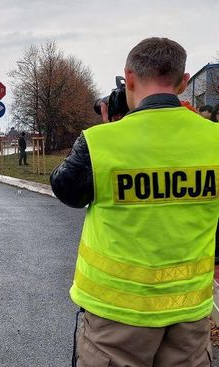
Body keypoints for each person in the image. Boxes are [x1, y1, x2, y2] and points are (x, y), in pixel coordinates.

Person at [50, 37, 219, 366]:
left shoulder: (100, 142)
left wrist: (108, 132)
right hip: (190, 314)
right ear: (184, 82)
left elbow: (66, 190)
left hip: (116, 318)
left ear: (128, 78)